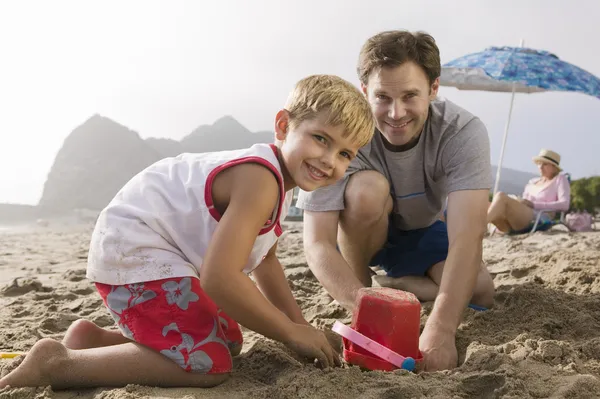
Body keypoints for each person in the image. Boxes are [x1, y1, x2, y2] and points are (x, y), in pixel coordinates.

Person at [0, 75, 375, 390]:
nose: (329, 160)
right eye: (321, 139)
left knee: (228, 339)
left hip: (146, 246)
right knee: (208, 366)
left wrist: (299, 327)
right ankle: (58, 363)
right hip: (136, 249)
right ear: (282, 125)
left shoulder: (278, 182)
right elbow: (219, 279)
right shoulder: (261, 180)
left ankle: (91, 343)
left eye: (345, 154)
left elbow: (266, 262)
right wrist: (290, 334)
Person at [296, 30, 496, 372]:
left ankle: (396, 287)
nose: (395, 112)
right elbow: (317, 243)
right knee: (367, 189)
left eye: (410, 95)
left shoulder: (462, 131)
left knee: (482, 290)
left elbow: (467, 236)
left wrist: (441, 328)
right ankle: (366, 287)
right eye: (383, 97)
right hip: (364, 228)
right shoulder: (341, 132)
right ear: (364, 91)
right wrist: (364, 308)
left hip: (422, 229)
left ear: (434, 88)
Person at [488, 149, 570, 233]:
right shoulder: (532, 182)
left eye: (545, 164)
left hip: (539, 216)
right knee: (488, 204)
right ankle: (484, 226)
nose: (540, 167)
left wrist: (533, 204)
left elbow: (564, 204)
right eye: (539, 163)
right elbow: (525, 201)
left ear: (554, 167)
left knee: (500, 196)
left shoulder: (559, 179)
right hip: (523, 215)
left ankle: (480, 225)